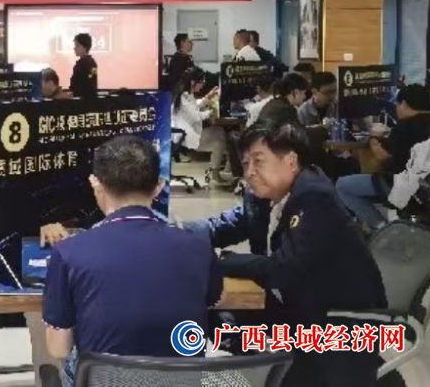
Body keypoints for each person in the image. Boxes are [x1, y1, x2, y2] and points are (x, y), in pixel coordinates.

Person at [205, 120, 386, 387]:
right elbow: (237, 224)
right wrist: (183, 236)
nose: (250, 172)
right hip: (302, 307)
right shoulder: (273, 194)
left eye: (258, 161)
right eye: (245, 164)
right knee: (216, 317)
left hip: (336, 324)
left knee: (223, 320)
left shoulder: (314, 199)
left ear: (290, 161)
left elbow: (283, 269)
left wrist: (225, 261)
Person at [42, 136, 222, 387]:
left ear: (96, 184)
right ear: (159, 186)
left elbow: (58, 349)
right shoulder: (199, 248)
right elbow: (213, 301)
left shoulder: (68, 253)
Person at [336, 84, 430, 230]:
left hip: (404, 187)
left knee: (343, 186)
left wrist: (373, 138)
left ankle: (381, 228)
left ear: (404, 103)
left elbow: (383, 157)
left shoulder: (405, 126)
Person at [171, 67, 228, 184]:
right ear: (193, 82)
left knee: (220, 131)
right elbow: (196, 116)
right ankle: (215, 174)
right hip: (184, 137)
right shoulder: (183, 97)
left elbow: (194, 107)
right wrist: (212, 110)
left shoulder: (186, 95)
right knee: (219, 141)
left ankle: (218, 169)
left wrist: (207, 98)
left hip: (188, 131)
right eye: (201, 82)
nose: (203, 85)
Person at [69, 33, 98, 99]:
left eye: (77, 46)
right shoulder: (92, 63)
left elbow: (90, 82)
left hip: (84, 100)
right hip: (84, 99)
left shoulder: (89, 64)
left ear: (85, 47)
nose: (74, 48)